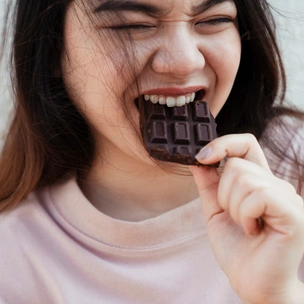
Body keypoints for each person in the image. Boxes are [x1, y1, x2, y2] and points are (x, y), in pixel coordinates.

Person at [0, 0, 304, 303]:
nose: (185, 61)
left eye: (213, 20)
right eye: (132, 25)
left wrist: (278, 295)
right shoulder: (13, 257)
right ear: (52, 49)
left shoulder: (295, 168)